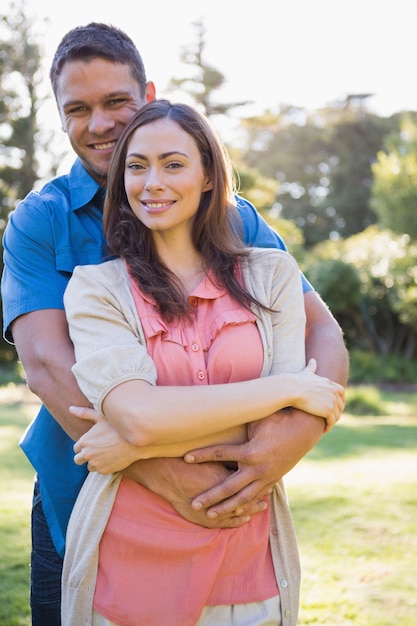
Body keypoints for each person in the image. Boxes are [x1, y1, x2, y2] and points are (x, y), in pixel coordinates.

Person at [0, 22, 349, 626]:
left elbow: (323, 334)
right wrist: (147, 463)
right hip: (84, 483)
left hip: (231, 493)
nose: (100, 123)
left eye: (116, 102)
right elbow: (51, 368)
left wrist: (284, 445)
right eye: (77, 109)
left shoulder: (236, 221)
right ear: (60, 117)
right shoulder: (41, 220)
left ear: (149, 95)